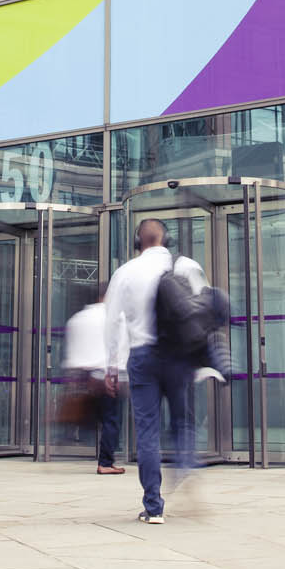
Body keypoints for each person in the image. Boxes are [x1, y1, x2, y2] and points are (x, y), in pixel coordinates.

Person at [104, 218, 208, 524]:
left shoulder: (125, 272)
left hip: (142, 356)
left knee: (147, 431)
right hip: (178, 356)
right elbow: (205, 309)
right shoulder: (186, 265)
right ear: (166, 238)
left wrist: (111, 366)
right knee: (183, 422)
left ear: (138, 242)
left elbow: (112, 322)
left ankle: (153, 507)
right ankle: (186, 468)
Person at [64, 287, 129, 474]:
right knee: (111, 420)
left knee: (97, 415)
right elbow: (122, 348)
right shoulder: (116, 318)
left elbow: (73, 351)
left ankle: (79, 443)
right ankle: (105, 463)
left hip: (87, 376)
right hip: (109, 375)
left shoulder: (78, 318)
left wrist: (73, 378)